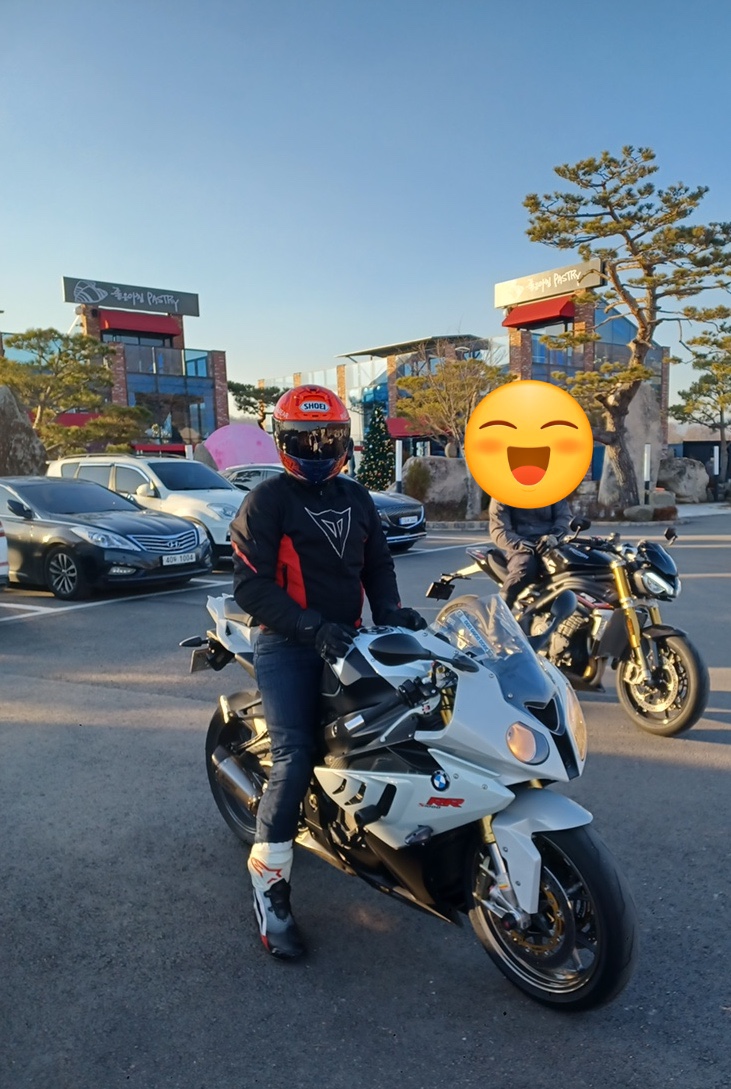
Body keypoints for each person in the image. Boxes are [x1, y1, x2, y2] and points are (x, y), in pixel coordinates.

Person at [229, 385, 426, 961]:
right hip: (287, 640)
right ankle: (270, 890)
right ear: (281, 442)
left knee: (404, 721)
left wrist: (391, 612)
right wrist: (309, 626)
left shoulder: (357, 496)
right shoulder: (266, 501)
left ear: (345, 441)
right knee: (294, 755)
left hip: (350, 636)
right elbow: (250, 587)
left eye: (328, 439)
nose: (317, 450)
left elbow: (378, 564)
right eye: (303, 440)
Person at [489, 499, 572, 610]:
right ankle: (498, 615)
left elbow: (564, 517)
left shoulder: (554, 492)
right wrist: (523, 544)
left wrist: (555, 535)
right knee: (524, 569)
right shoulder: (503, 494)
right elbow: (498, 530)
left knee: (574, 567)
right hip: (520, 549)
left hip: (551, 545)